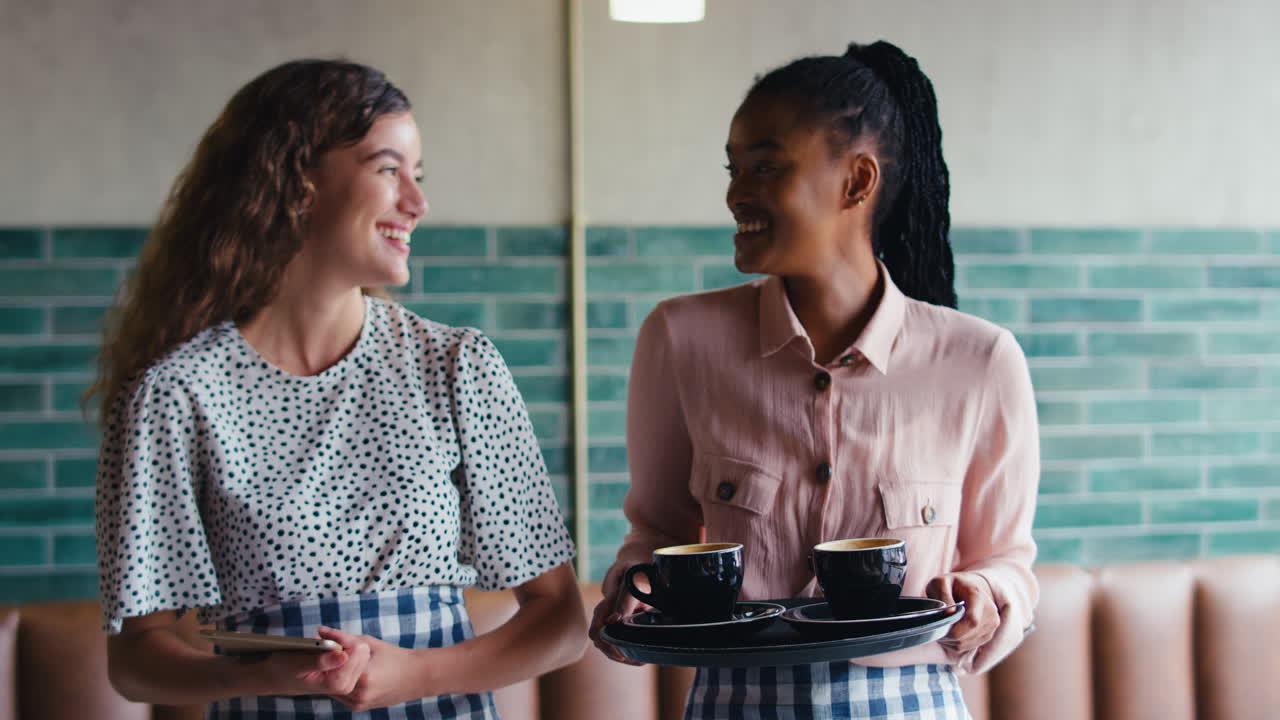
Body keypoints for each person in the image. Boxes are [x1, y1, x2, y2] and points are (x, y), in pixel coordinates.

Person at [91, 59, 586, 718]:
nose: (417, 203)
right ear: (296, 183)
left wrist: (412, 675)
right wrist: (270, 674)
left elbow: (561, 623)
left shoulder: (457, 367)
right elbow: (135, 661)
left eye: (417, 175)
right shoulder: (175, 394)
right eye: (388, 170)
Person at [589, 40, 1040, 718]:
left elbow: (1008, 563)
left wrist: (986, 595)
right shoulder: (679, 338)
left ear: (857, 181)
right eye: (734, 169)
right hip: (735, 702)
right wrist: (629, 592)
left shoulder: (982, 360)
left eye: (765, 167)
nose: (735, 194)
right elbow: (655, 534)